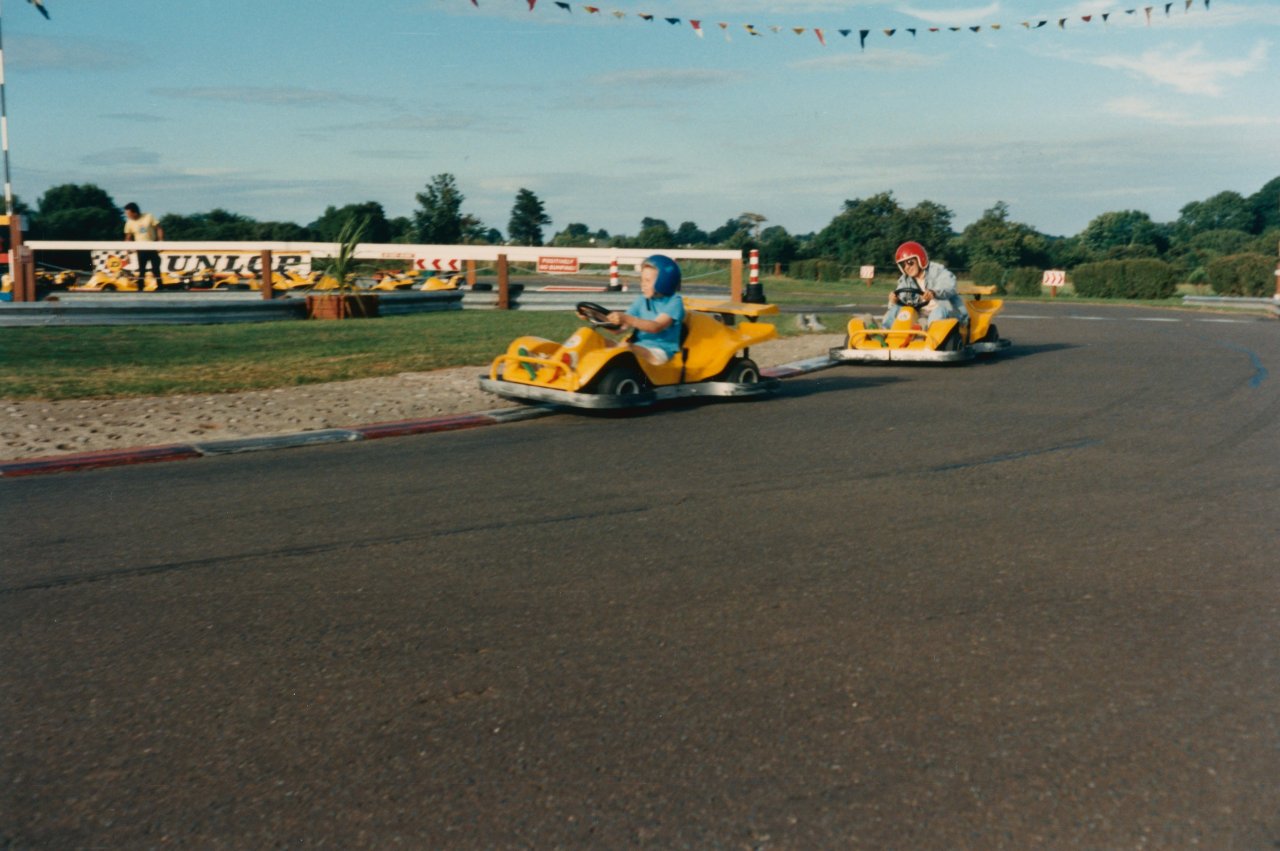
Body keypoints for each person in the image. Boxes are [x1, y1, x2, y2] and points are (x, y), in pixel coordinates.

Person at [600, 254, 686, 365]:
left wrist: (626, 318)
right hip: (638, 346)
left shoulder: (675, 302)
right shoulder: (641, 300)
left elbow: (656, 326)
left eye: (647, 281)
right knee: (596, 341)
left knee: (626, 349)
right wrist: (596, 316)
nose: (643, 285)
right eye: (642, 280)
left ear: (664, 282)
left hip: (659, 352)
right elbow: (618, 329)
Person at [882, 240, 967, 329]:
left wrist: (934, 292)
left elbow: (949, 285)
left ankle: (930, 338)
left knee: (938, 311)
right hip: (921, 315)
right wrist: (894, 300)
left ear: (920, 259)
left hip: (946, 314)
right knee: (897, 309)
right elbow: (901, 297)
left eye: (910, 263)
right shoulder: (905, 280)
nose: (907, 267)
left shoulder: (937, 271)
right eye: (903, 265)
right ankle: (885, 334)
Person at [122, 202, 165, 290]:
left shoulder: (149, 216)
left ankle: (160, 287)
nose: (127, 215)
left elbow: (159, 228)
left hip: (152, 247)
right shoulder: (129, 223)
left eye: (128, 213)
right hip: (141, 249)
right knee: (141, 270)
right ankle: (140, 288)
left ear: (135, 212)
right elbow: (128, 238)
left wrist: (161, 241)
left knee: (156, 269)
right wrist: (126, 252)